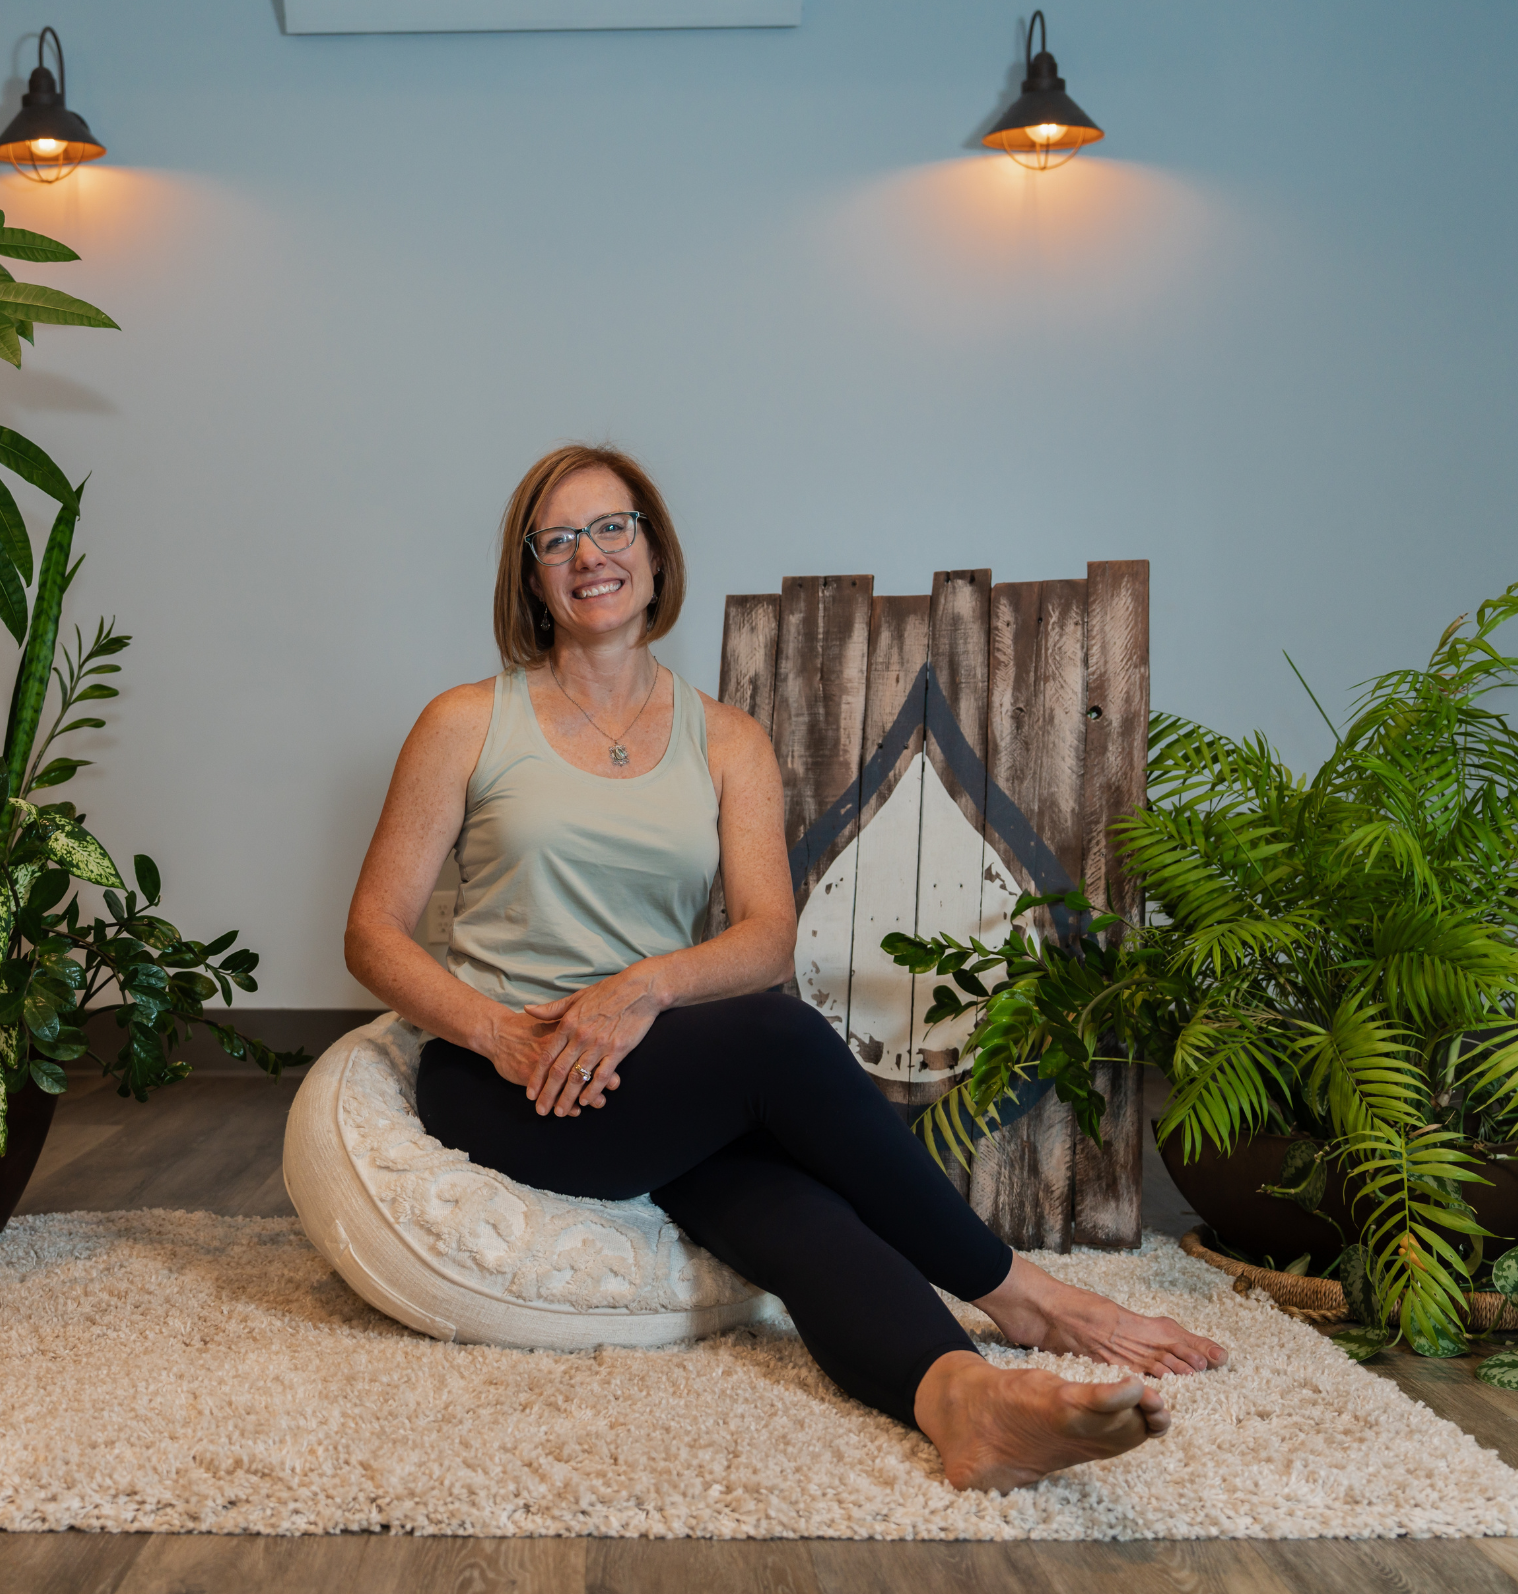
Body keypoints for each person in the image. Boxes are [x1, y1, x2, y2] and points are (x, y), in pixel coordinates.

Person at [343, 444, 1225, 1493]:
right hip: (508, 1078)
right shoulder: (465, 722)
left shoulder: (725, 738)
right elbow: (373, 935)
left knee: (797, 1216)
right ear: (531, 574)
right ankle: (1024, 1297)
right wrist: (499, 1031)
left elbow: (767, 933)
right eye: (559, 540)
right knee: (780, 1039)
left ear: (657, 555)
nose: (590, 556)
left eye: (612, 528)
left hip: (647, 1067)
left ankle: (964, 1402)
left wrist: (646, 986)